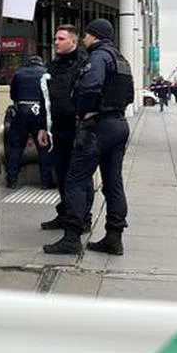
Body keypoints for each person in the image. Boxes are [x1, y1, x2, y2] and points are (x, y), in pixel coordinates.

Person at [44, 18, 133, 257]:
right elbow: (130, 94)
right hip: (119, 124)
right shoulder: (121, 59)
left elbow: (89, 87)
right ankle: (114, 238)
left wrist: (85, 111)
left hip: (98, 126)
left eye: (86, 35)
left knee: (75, 179)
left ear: (94, 35)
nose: (84, 39)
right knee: (113, 182)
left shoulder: (98, 57)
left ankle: (72, 236)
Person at [39, 25, 89, 231]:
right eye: (55, 38)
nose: (56, 42)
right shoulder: (53, 66)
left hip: (78, 128)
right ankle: (66, 213)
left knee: (78, 177)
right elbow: (45, 99)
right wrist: (42, 128)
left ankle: (82, 218)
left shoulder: (84, 64)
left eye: (60, 39)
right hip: (57, 129)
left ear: (73, 42)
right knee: (61, 173)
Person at [5, 55, 54, 189]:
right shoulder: (46, 73)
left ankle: (12, 180)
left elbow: (13, 95)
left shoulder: (19, 73)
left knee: (16, 147)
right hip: (40, 112)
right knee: (43, 147)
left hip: (22, 110)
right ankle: (46, 181)